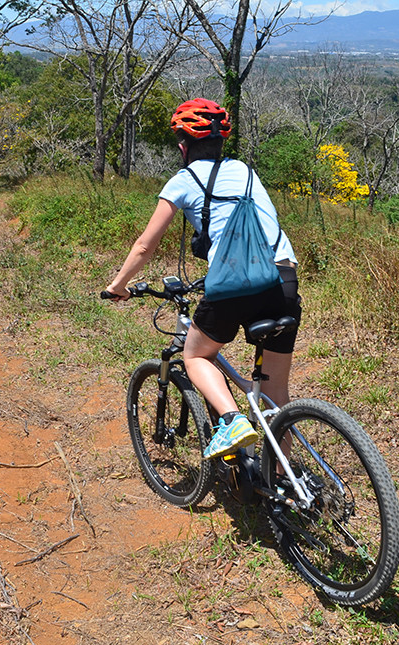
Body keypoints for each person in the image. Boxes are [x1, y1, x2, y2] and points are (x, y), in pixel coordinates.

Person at [104, 98, 301, 460]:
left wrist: (118, 286)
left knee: (195, 356)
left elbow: (145, 246)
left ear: (183, 145)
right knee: (276, 394)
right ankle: (284, 484)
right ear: (222, 142)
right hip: (283, 279)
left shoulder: (183, 181)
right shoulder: (245, 170)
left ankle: (232, 420)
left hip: (234, 286)